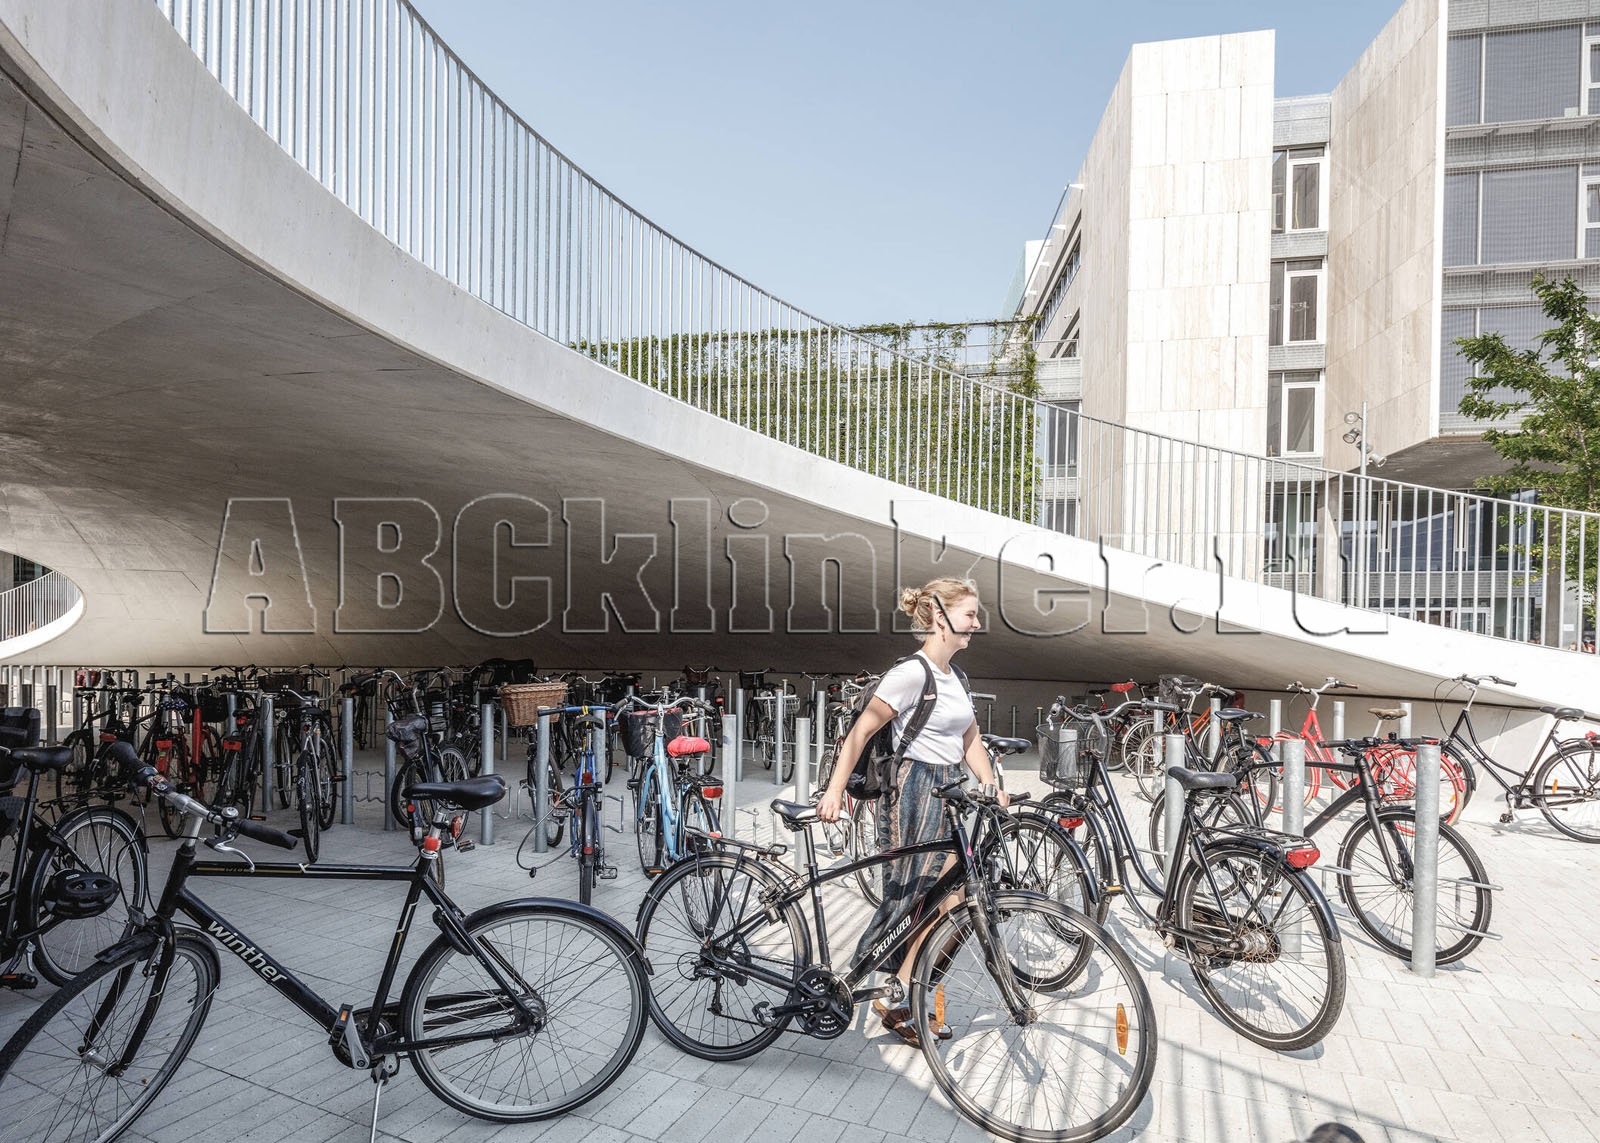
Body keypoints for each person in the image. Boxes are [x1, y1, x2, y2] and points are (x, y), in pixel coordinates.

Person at [816, 577, 1006, 1048]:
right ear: (941, 618)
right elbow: (860, 732)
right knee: (913, 898)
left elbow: (970, 738)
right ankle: (888, 987)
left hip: (951, 788)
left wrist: (991, 784)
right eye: (970, 615)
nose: (977, 623)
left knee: (956, 896)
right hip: (914, 789)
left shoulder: (957, 677)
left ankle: (905, 987)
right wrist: (834, 792)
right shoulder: (910, 674)